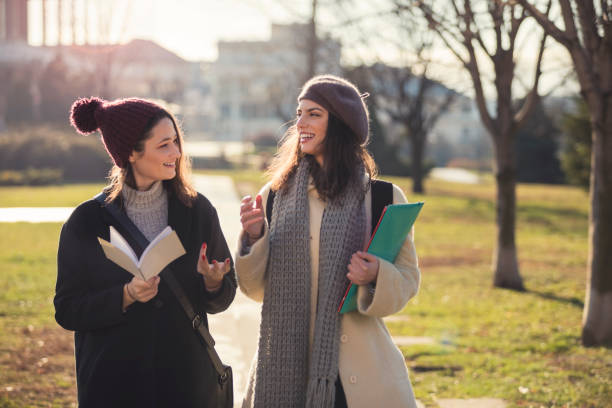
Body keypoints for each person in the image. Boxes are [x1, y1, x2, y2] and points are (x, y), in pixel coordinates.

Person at [236, 75, 421, 408]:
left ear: (340, 124)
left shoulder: (383, 197)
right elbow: (254, 290)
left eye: (314, 114)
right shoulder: (275, 196)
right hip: (283, 371)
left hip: (359, 381)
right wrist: (253, 239)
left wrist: (376, 274)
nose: (300, 123)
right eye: (300, 112)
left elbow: (407, 281)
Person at [54, 97, 237, 407]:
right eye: (164, 145)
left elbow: (223, 297)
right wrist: (125, 295)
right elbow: (68, 309)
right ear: (131, 153)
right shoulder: (87, 221)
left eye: (176, 142)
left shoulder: (197, 211)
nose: (177, 153)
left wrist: (215, 282)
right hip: (113, 385)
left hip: (186, 386)